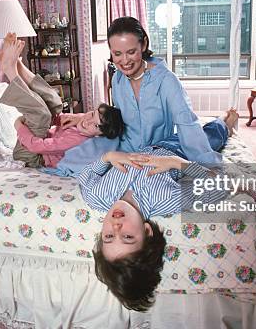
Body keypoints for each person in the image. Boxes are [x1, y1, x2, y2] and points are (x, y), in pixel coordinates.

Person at [78, 110, 238, 311]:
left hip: (146, 144)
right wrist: (176, 163)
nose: (116, 226)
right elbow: (220, 186)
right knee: (211, 133)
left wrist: (108, 157)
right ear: (146, 231)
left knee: (173, 119)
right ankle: (227, 122)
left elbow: (85, 177)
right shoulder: (165, 200)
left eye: (109, 236)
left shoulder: (96, 197)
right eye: (127, 236)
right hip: (182, 150)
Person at [58, 16, 223, 176]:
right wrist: (80, 118)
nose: (124, 61)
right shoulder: (117, 79)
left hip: (160, 149)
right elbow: (117, 115)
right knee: (79, 159)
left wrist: (206, 169)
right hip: (127, 148)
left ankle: (224, 124)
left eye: (131, 52)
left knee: (206, 138)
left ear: (143, 44)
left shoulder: (166, 81)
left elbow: (187, 123)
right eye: (117, 54)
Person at [0, 33, 125, 168]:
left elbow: (37, 146)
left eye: (95, 125)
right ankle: (18, 64)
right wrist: (63, 118)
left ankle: (10, 71)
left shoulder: (76, 140)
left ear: (98, 135)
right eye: (92, 114)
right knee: (56, 102)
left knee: (42, 115)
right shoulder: (84, 120)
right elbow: (61, 118)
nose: (88, 121)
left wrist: (19, 126)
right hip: (39, 139)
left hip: (30, 155)